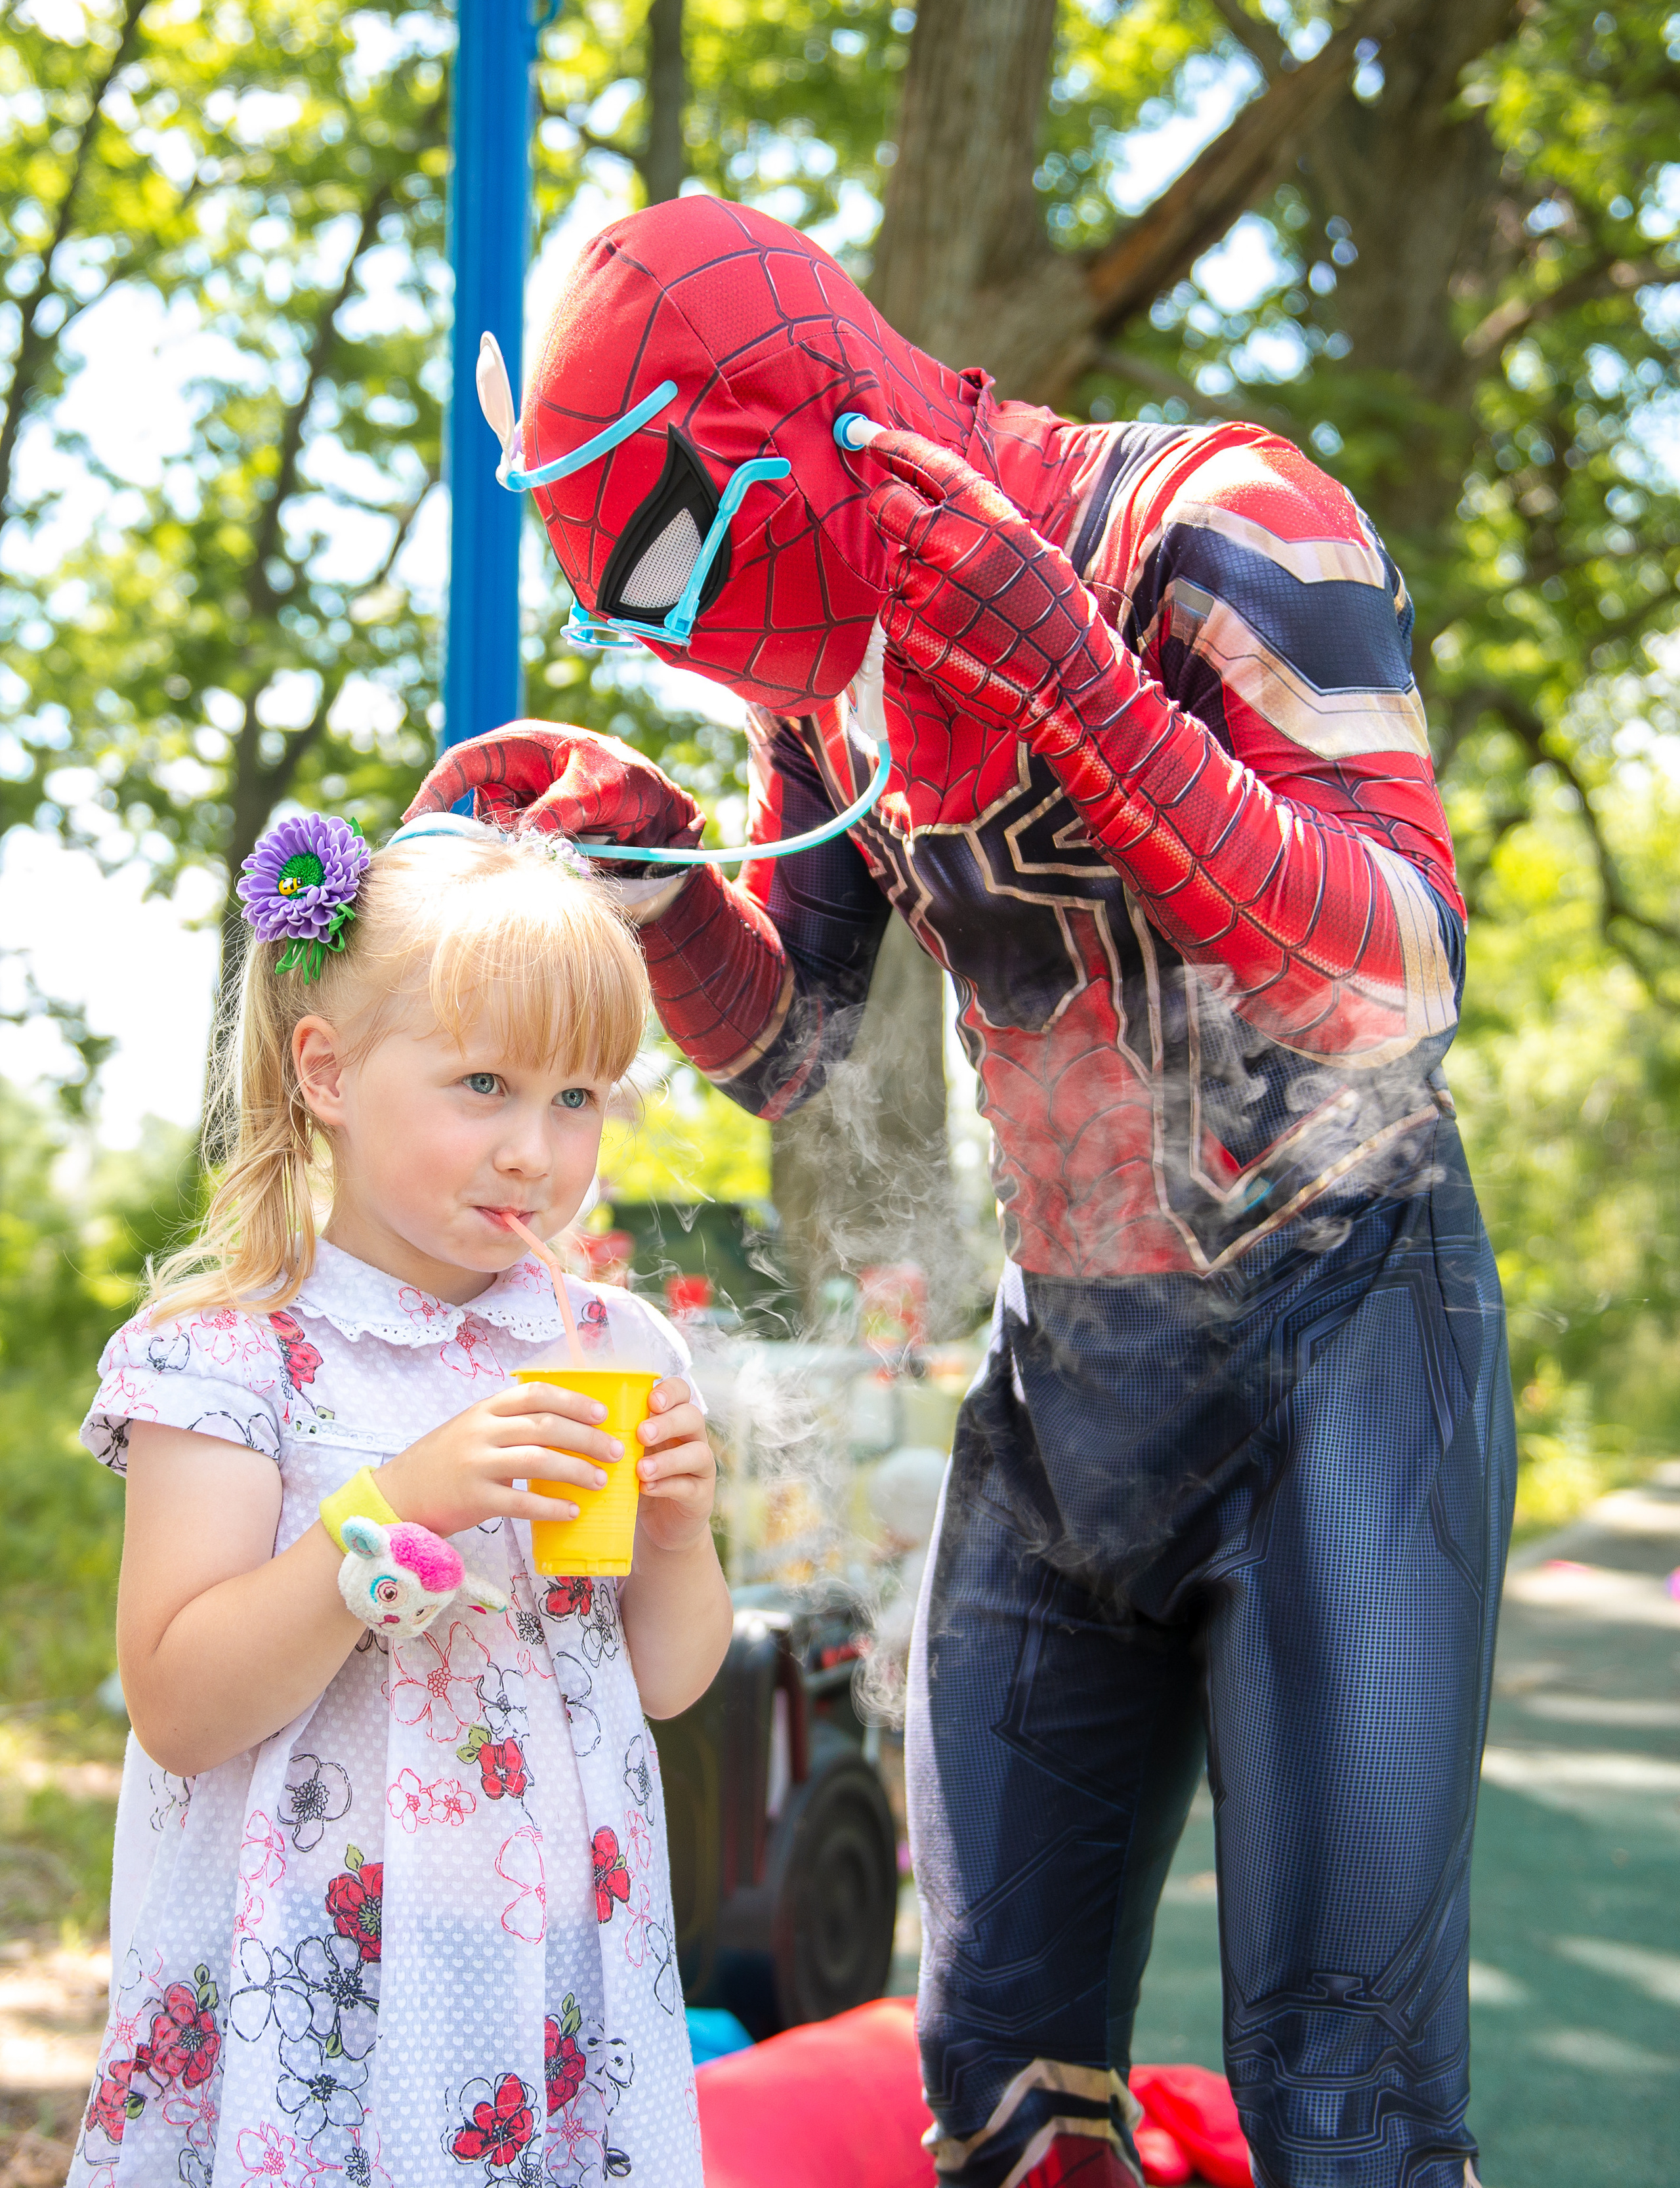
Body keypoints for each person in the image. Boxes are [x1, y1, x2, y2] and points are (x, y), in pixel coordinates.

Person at [410, 196, 1515, 2188]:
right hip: (1068, 1363)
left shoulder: (1220, 517)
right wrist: (654, 873)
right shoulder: (828, 679)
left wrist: (1079, 685)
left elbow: (1399, 984)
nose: (666, 629)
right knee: (994, 2065)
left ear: (793, 418)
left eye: (665, 554)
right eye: (615, 604)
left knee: (1343, 2092)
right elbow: (799, 1040)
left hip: (1338, 1332)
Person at [70, 812, 732, 2188]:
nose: (534, 1152)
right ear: (326, 1070)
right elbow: (181, 1704)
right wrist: (398, 1500)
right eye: (482, 1082)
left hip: (557, 1973)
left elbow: (669, 1677)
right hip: (306, 1974)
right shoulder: (232, 1351)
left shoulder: (610, 1343)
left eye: (576, 1097)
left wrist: (676, 1535)